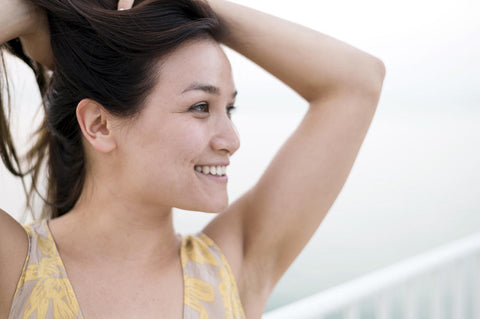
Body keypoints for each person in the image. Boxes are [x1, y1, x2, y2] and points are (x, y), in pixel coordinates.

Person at [0, 0, 386, 317]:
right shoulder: (16, 267)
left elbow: (358, 81)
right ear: (99, 125)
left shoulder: (230, 271)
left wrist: (194, 3)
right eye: (201, 107)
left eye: (229, 109)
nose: (232, 140)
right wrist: (32, 10)